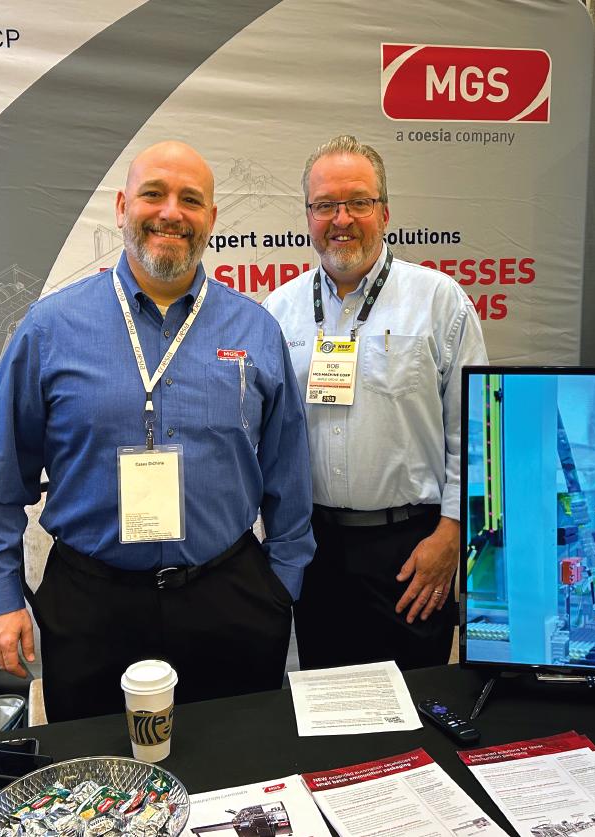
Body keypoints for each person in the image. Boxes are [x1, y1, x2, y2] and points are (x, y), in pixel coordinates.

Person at [0, 140, 314, 721]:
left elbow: (289, 472)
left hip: (229, 601)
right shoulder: (50, 328)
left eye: (190, 200)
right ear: (123, 207)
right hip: (92, 608)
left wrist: (281, 587)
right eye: (153, 194)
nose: (171, 212)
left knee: (239, 764)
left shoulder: (255, 329)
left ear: (211, 218)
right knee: (97, 770)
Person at [262, 135, 487, 671]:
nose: (341, 219)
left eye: (358, 202)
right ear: (308, 216)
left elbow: (476, 433)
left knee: (416, 703)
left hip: (413, 552)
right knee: (327, 702)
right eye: (325, 205)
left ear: (384, 212)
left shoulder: (439, 302)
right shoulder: (278, 311)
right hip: (314, 550)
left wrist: (452, 534)